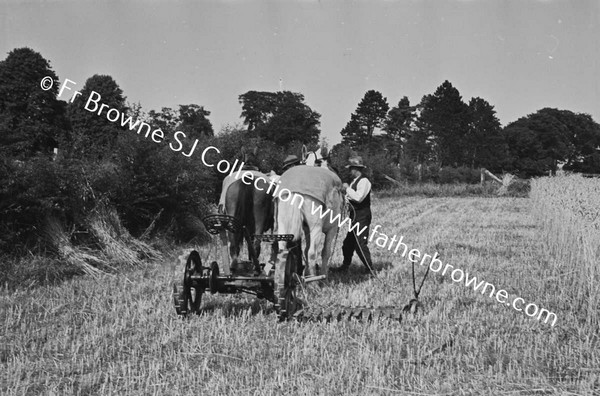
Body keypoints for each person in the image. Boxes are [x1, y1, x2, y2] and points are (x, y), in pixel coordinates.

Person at [331, 156, 374, 274]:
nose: (350, 171)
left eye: (351, 169)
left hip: (362, 215)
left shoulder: (364, 181)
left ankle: (370, 269)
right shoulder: (355, 181)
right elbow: (351, 197)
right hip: (355, 216)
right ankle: (345, 266)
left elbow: (359, 198)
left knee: (360, 243)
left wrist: (347, 189)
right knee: (348, 244)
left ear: (356, 169)